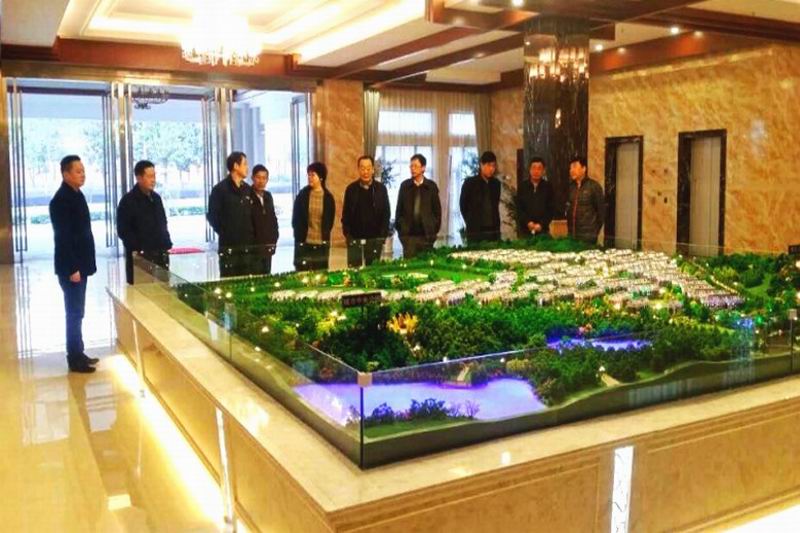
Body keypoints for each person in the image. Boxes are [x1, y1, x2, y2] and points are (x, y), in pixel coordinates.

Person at [49, 155, 99, 373]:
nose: (82, 174)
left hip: (81, 264)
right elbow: (63, 237)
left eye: (83, 170)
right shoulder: (61, 200)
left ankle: (79, 351)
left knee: (78, 311)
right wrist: (72, 268)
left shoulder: (77, 195)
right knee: (74, 312)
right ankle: (74, 358)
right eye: (78, 171)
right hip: (72, 267)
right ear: (66, 174)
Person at [117, 160, 173, 284]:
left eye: (154, 176)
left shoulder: (156, 198)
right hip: (140, 258)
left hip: (160, 256)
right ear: (139, 178)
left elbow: (163, 223)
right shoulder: (128, 201)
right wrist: (139, 248)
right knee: (142, 292)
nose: (153, 180)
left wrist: (166, 243)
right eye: (149, 176)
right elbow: (123, 231)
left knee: (163, 291)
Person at [207, 151, 256, 277]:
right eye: (245, 164)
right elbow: (212, 216)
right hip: (229, 248)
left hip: (248, 247)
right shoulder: (220, 190)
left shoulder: (248, 189)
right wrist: (226, 232)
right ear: (235, 166)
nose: (247, 168)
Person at [341, 155, 391, 268]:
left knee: (372, 270)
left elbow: (386, 214)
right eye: (362, 168)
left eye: (368, 168)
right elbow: (346, 214)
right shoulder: (351, 189)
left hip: (374, 239)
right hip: (354, 238)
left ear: (373, 169)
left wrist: (382, 236)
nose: (365, 172)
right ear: (358, 169)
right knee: (354, 270)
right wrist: (348, 234)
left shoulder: (381, 189)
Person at [394, 154, 441, 258]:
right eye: (411, 166)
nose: (412, 169)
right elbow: (398, 211)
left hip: (427, 236)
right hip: (408, 236)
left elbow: (437, 212)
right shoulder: (405, 186)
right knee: (409, 265)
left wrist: (433, 229)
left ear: (423, 168)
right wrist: (402, 230)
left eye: (415, 166)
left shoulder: (431, 186)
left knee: (426, 264)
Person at [292, 162, 335, 271]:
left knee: (320, 273)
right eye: (309, 175)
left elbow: (329, 222)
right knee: (303, 272)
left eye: (313, 175)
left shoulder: (328, 198)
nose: (309, 177)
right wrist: (298, 235)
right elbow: (296, 219)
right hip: (304, 242)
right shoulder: (302, 195)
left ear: (321, 177)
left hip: (321, 244)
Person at [459, 150, 501, 244]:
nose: (491, 169)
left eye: (493, 166)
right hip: (475, 230)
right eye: (488, 165)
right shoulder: (470, 183)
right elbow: (463, 206)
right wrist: (470, 221)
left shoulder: (496, 184)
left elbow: (495, 206)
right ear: (481, 165)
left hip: (493, 230)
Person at [565, 155, 605, 244]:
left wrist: (594, 232)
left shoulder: (594, 186)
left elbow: (601, 212)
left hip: (588, 236)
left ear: (583, 169)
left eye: (575, 167)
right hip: (572, 234)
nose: (572, 170)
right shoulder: (571, 187)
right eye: (570, 168)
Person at [249, 164, 279, 275]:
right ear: (252, 178)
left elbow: (273, 219)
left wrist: (274, 238)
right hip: (253, 249)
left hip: (268, 247)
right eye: (258, 177)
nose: (261, 181)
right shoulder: (247, 196)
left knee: (267, 276)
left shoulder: (268, 196)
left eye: (264, 178)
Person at [516, 156, 555, 238]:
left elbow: (551, 209)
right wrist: (528, 222)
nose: (536, 171)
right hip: (525, 231)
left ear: (543, 171)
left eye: (539, 168)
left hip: (543, 230)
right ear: (529, 170)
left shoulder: (548, 187)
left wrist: (541, 224)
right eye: (533, 168)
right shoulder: (522, 186)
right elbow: (519, 208)